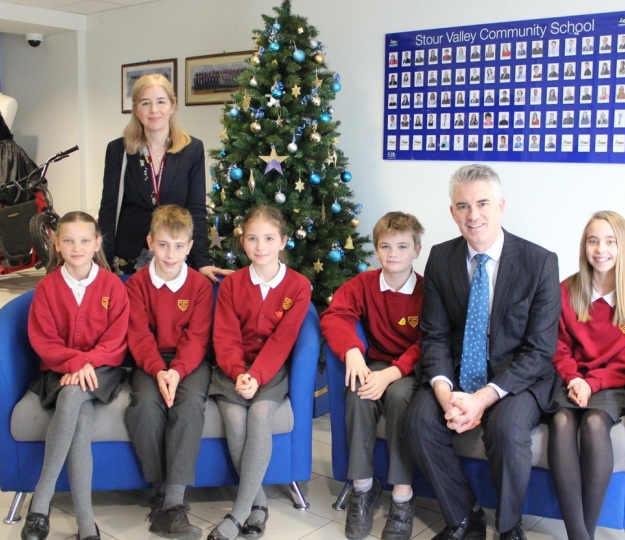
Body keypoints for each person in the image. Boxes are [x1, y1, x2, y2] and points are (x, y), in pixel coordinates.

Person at [404, 164, 561, 540]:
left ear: (501, 206)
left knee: (506, 428)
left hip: (516, 379)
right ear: (452, 212)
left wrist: (484, 398)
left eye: (483, 203)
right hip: (458, 373)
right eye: (462, 206)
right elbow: (435, 335)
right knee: (419, 420)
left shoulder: (539, 262)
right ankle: (465, 518)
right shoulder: (441, 258)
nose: (473, 215)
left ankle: (508, 527)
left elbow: (539, 351)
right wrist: (444, 394)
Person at [549, 211, 625, 540]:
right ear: (584, 247)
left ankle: (585, 534)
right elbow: (558, 346)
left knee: (595, 424)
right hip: (569, 378)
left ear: (623, 247)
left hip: (610, 382)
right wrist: (573, 379)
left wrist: (591, 383)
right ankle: (579, 536)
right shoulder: (566, 291)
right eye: (593, 241)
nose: (600, 249)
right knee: (562, 422)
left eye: (610, 241)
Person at [22, 212, 130, 540]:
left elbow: (117, 339)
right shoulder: (48, 287)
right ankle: (86, 522)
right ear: (57, 243)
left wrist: (88, 363)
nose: (77, 247)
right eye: (68, 240)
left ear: (97, 243)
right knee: (79, 416)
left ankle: (41, 502)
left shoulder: (112, 285)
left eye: (85, 240)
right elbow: (44, 340)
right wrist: (74, 364)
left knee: (73, 395)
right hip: (60, 370)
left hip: (103, 370)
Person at [207, 206, 311, 540]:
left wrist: (258, 376)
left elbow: (283, 340)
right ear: (243, 242)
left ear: (283, 241)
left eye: (268, 238)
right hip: (231, 369)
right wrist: (239, 373)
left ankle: (238, 513)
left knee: (261, 415)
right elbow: (225, 336)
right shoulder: (233, 285)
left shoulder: (298, 286)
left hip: (270, 369)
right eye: (252, 238)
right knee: (235, 419)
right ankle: (259, 504)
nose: (260, 246)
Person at [321, 212, 425, 540]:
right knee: (358, 393)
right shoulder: (364, 284)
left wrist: (394, 373)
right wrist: (352, 350)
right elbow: (335, 314)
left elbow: (430, 341)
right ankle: (362, 490)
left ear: (417, 251)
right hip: (376, 363)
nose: (393, 253)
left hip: (409, 371)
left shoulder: (426, 290)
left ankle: (402, 498)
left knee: (397, 398)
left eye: (402, 246)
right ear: (376, 251)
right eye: (385, 246)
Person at [125, 205, 214, 540]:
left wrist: (176, 372)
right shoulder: (136, 285)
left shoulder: (199, 287)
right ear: (150, 243)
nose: (170, 254)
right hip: (149, 360)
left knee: (189, 406)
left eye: (178, 246)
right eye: (163, 245)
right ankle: (162, 494)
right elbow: (138, 334)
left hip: (189, 361)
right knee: (145, 407)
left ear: (190, 246)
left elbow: (197, 337)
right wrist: (158, 371)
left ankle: (173, 503)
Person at [99, 74, 229, 282]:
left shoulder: (192, 149)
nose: (154, 110)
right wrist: (102, 263)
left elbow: (196, 209)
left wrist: (201, 261)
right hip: (128, 259)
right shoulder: (118, 150)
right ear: (136, 110)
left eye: (161, 101)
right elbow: (108, 209)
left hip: (174, 257)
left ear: (173, 105)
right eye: (145, 103)